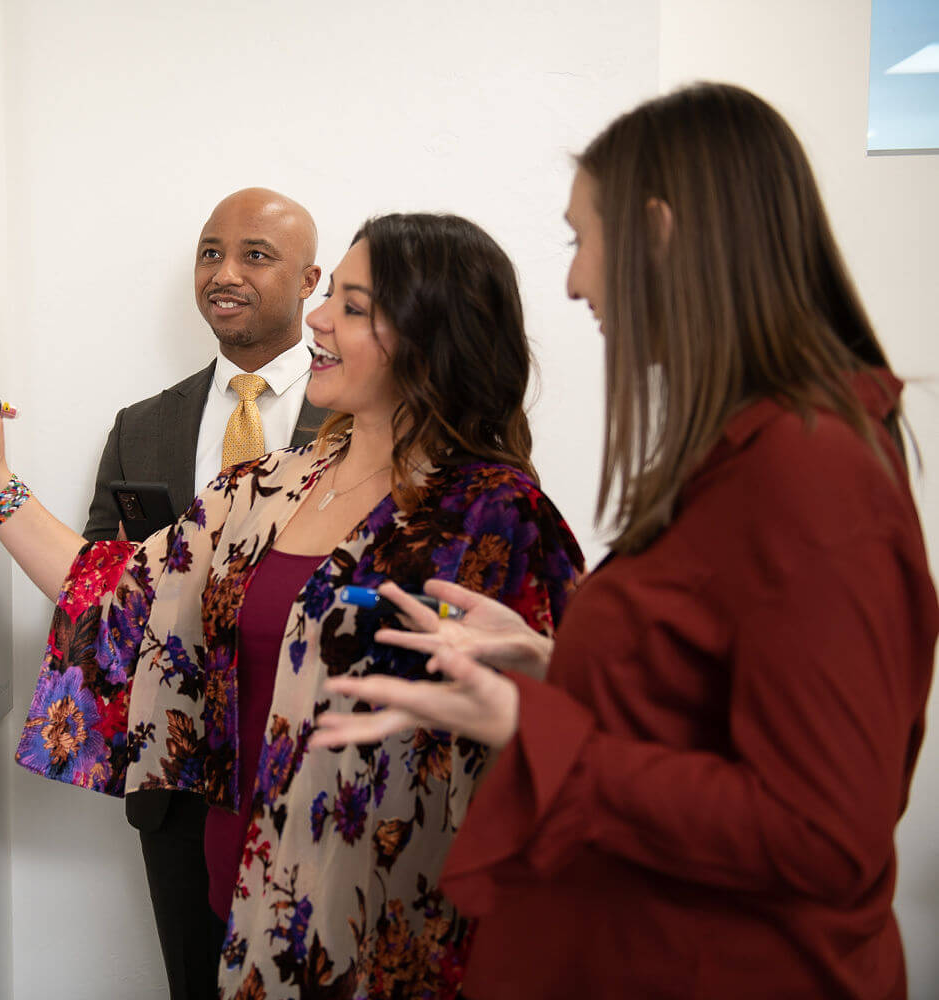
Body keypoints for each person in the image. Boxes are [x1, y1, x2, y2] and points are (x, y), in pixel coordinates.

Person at [313, 83, 939, 999]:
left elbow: (824, 834)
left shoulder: (815, 471)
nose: (572, 281)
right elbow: (704, 703)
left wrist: (535, 724)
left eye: (580, 240)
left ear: (657, 231)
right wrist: (546, 666)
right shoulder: (744, 452)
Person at [0, 212, 584, 998]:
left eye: (350, 304)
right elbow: (117, 587)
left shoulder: (490, 515)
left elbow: (546, 750)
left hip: (384, 933)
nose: (316, 319)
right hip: (234, 896)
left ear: (427, 336)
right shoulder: (270, 485)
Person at [81, 187, 330, 1000]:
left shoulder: (360, 420)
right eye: (210, 253)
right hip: (178, 782)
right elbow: (95, 590)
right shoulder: (142, 426)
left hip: (315, 771)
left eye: (256, 255)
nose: (225, 273)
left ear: (309, 281)